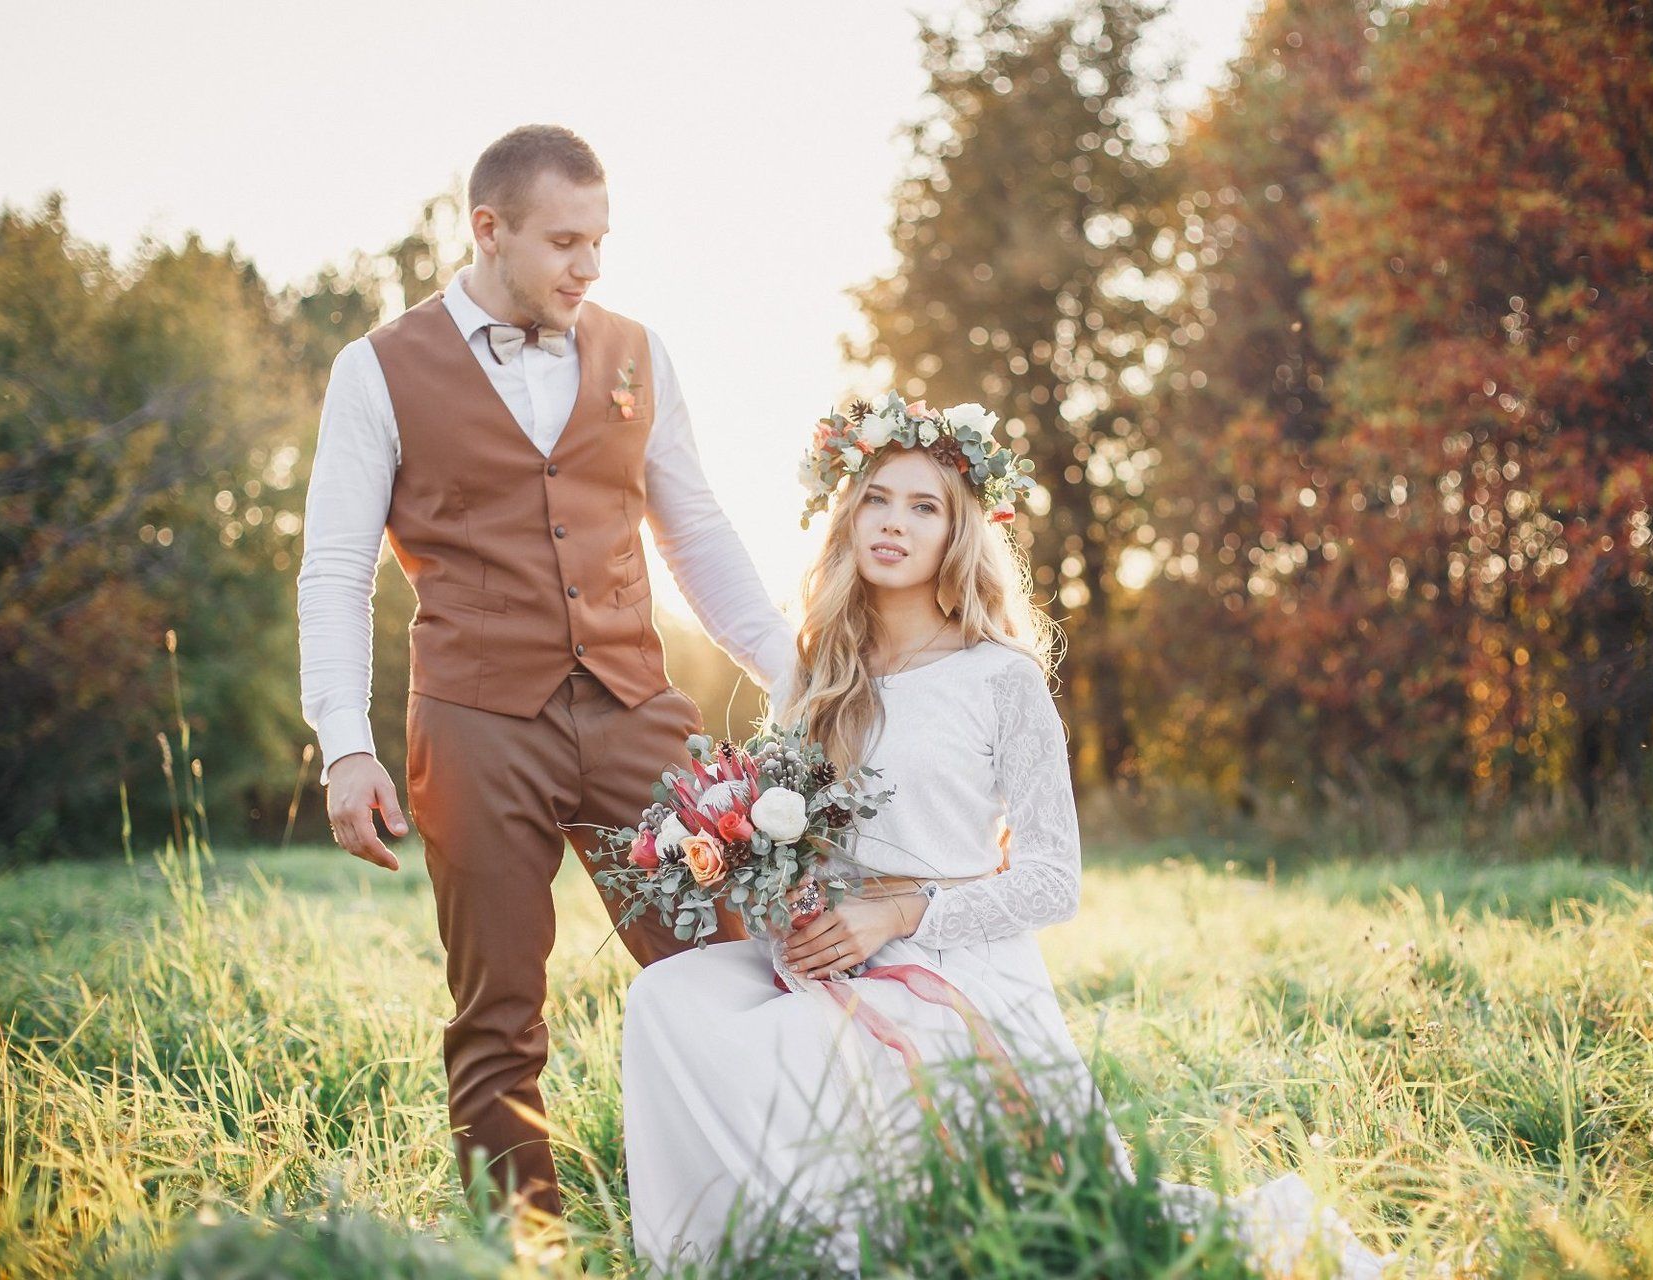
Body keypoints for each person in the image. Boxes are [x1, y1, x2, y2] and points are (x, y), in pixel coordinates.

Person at [620, 401, 1389, 1276]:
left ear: (959, 533)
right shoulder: (814, 671)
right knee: (668, 1001)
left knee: (1031, 1212)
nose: (895, 524)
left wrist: (903, 912)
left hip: (952, 968)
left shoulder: (1000, 678)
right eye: (877, 499)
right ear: (849, 515)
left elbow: (1053, 880)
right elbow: (718, 588)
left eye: (925, 506)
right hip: (827, 961)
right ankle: (724, 1257)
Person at [295, 124, 791, 1221]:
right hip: (477, 725)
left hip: (637, 714)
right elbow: (333, 569)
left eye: (601, 240)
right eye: (566, 240)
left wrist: (798, 670)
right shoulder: (376, 369)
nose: (590, 266)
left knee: (729, 965)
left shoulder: (637, 352)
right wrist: (346, 741)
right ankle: (523, 1246)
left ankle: (754, 1217)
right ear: (489, 229)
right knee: (498, 1010)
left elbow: (696, 531)